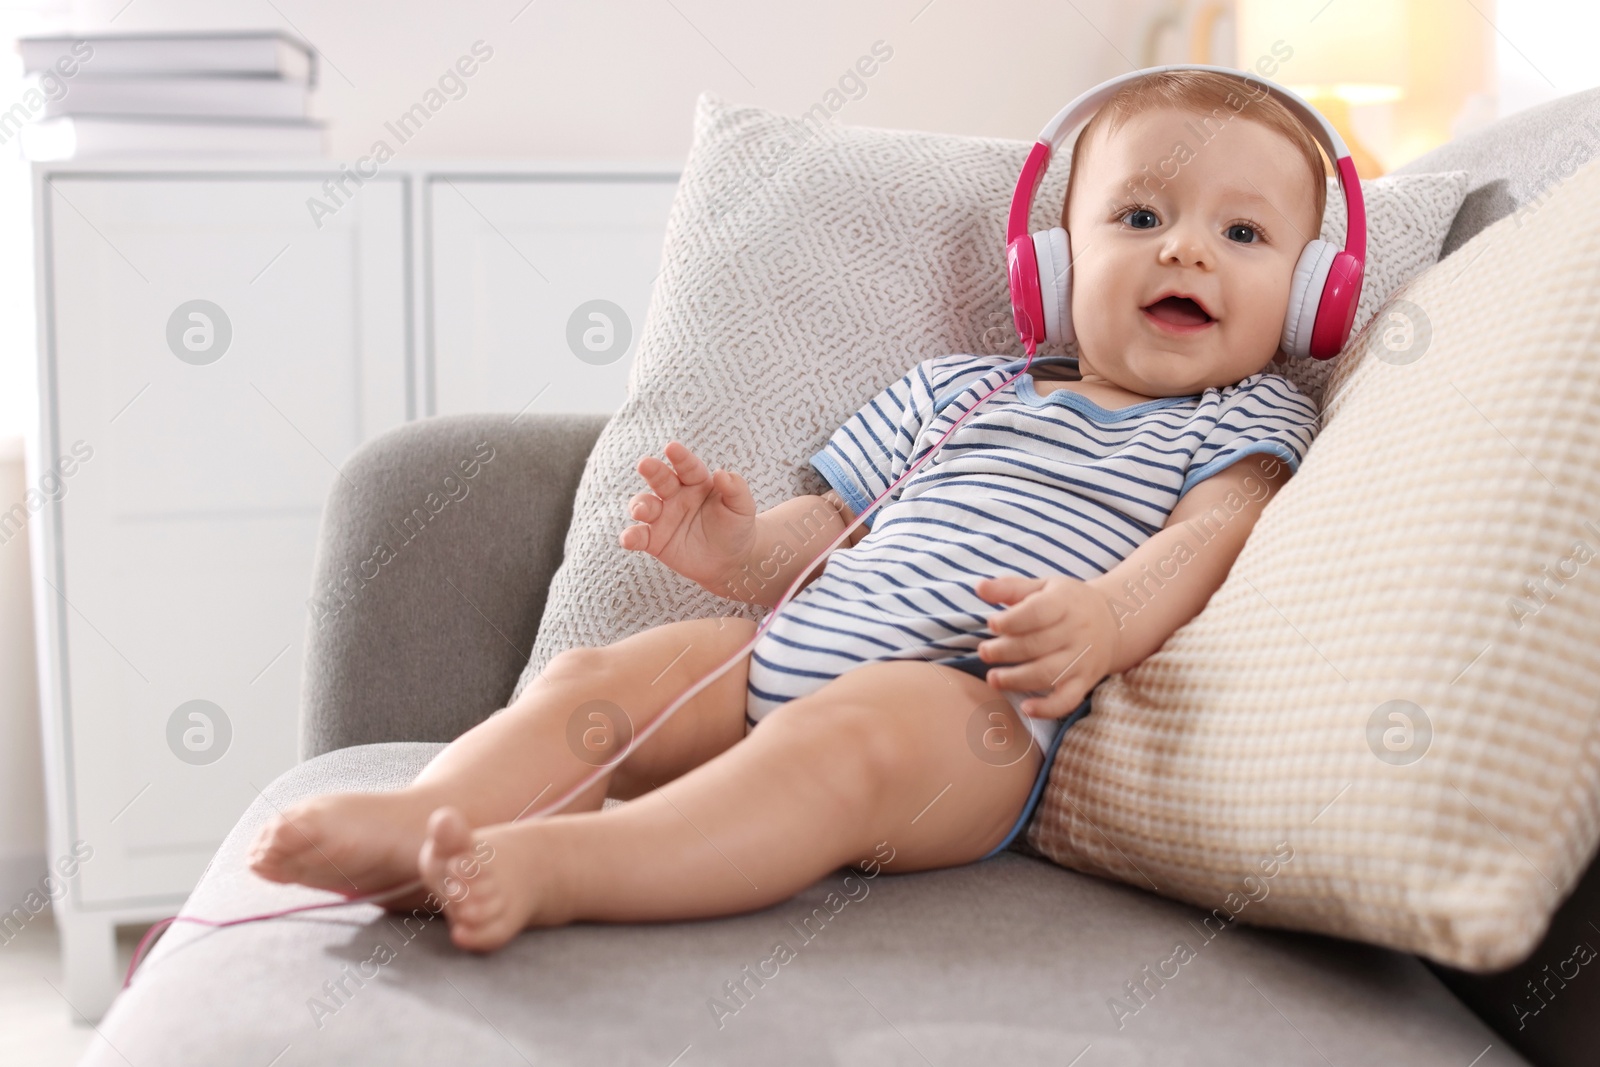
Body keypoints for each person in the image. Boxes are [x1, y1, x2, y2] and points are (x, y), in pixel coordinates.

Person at [249, 70, 1324, 953]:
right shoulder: (960, 388)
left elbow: (1204, 540)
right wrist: (735, 548)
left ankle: (563, 867)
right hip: (789, 641)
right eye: (1140, 215)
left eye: (1241, 233)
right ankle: (422, 818)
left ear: (1309, 293)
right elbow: (829, 529)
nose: (1184, 248)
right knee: (597, 678)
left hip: (969, 713)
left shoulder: (1236, 418)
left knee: (840, 745)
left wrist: (1102, 619)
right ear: (1052, 265)